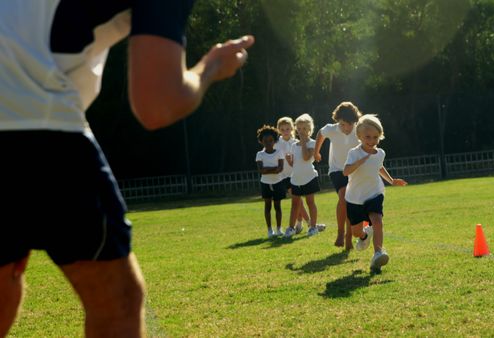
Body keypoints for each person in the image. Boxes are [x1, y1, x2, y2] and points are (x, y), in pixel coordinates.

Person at [0, 2, 254, 336]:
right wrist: (211, 67)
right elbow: (157, 104)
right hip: (30, 110)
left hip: (21, 99)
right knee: (116, 302)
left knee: (4, 280)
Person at [343, 114, 407, 273]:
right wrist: (359, 162)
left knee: (377, 221)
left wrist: (391, 180)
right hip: (355, 198)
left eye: (375, 137)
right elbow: (345, 172)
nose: (372, 141)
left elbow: (379, 167)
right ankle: (364, 236)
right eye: (367, 137)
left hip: (374, 193)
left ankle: (378, 253)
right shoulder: (354, 153)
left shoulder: (380, 153)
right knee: (355, 231)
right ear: (359, 136)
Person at [314, 102, 362, 250]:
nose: (345, 128)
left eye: (349, 124)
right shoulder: (332, 129)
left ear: (354, 122)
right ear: (337, 121)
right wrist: (316, 152)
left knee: (351, 203)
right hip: (336, 169)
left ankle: (349, 236)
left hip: (354, 171)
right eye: (342, 124)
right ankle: (341, 233)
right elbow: (320, 134)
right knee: (343, 197)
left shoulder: (360, 129)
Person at [283, 114, 323, 238]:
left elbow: (306, 158)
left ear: (309, 129)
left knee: (310, 203)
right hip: (296, 179)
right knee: (295, 205)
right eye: (299, 129)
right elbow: (295, 164)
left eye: (304, 129)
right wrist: (289, 160)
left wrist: (304, 142)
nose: (301, 131)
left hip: (309, 178)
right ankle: (291, 228)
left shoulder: (313, 143)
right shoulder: (294, 145)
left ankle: (313, 227)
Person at [275, 117, 310, 235]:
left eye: (288, 129)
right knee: (298, 200)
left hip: (296, 174)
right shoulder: (276, 144)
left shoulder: (295, 142)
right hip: (284, 176)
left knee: (297, 200)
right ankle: (309, 222)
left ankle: (299, 224)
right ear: (279, 130)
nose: (285, 131)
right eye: (283, 129)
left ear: (292, 129)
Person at [255, 125, 286, 238]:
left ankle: (278, 229)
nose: (268, 143)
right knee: (267, 206)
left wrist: (268, 169)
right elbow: (261, 171)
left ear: (275, 140)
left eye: (271, 140)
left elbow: (280, 169)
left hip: (278, 183)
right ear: (261, 141)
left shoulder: (279, 152)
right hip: (265, 184)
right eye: (265, 141)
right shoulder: (260, 154)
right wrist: (272, 169)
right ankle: (269, 230)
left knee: (277, 206)